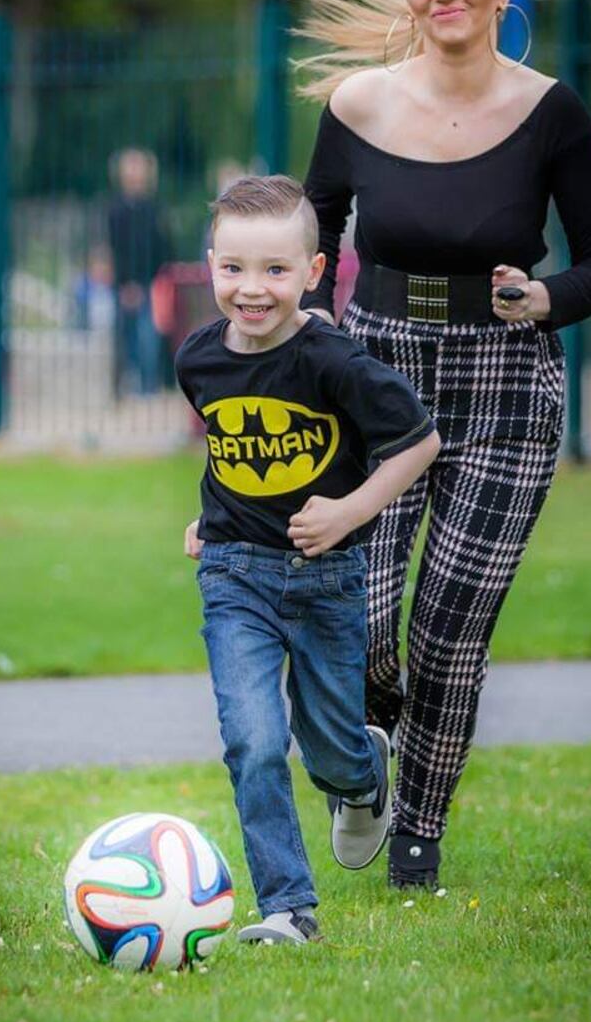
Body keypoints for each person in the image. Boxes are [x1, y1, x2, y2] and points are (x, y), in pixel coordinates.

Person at [295, 0, 591, 890]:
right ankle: (364, 767)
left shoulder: (549, 111)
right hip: (376, 375)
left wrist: (542, 299)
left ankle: (416, 843)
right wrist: (288, 306)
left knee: (447, 630)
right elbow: (314, 232)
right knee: (353, 618)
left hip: (504, 385)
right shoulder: (355, 105)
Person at [175, 175, 439, 945]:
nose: (251, 290)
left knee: (328, 749)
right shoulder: (197, 358)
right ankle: (289, 908)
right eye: (233, 269)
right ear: (211, 263)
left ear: (315, 273)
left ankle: (362, 776)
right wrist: (211, 515)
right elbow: (237, 447)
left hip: (329, 581)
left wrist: (351, 513)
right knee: (254, 742)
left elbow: (420, 443)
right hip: (235, 578)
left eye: (275, 271)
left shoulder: (335, 361)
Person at [107, 148, 170, 395]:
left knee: (148, 339)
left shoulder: (154, 210)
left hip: (150, 283)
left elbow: (162, 249)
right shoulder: (114, 209)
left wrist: (151, 282)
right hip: (123, 284)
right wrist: (126, 283)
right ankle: (123, 387)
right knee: (123, 338)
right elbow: (114, 250)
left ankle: (149, 388)